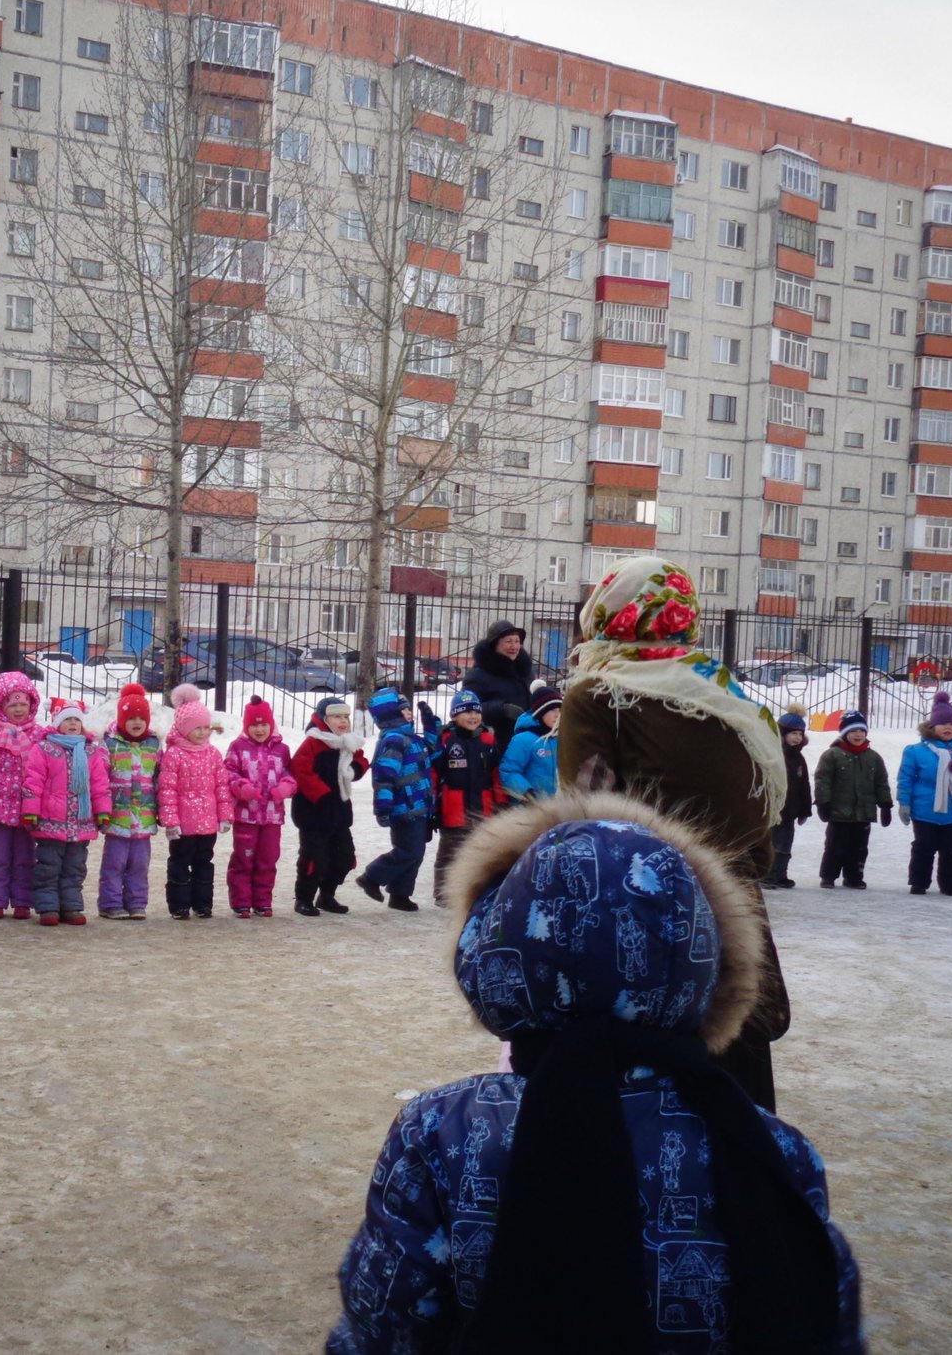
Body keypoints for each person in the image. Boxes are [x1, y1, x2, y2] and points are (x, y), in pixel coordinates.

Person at [325, 792, 864, 1353]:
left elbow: (385, 1323)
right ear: (708, 955)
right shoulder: (769, 1147)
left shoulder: (440, 1132)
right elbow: (826, 1319)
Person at [555, 558, 793, 1109]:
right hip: (734, 900)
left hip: (645, 900)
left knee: (650, 1077)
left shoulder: (601, 691)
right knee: (733, 1067)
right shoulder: (725, 692)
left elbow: (587, 813)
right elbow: (754, 808)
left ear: (609, 612)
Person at [22, 696, 110, 925]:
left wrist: (102, 812)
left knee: (75, 868)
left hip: (80, 823)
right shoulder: (44, 749)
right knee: (48, 866)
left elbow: (99, 784)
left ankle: (71, 906)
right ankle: (48, 907)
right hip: (51, 821)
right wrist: (31, 810)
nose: (73, 724)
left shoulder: (90, 752)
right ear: (56, 723)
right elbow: (33, 781)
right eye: (67, 719)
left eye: (77, 720)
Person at [354, 687, 435, 913]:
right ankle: (371, 876)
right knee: (409, 852)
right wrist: (383, 806)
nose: (409, 712)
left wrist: (429, 724)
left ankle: (400, 895)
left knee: (414, 853)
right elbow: (384, 776)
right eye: (404, 709)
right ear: (391, 715)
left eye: (408, 708)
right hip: (403, 807)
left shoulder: (411, 738)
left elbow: (432, 749)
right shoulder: (395, 740)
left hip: (418, 806)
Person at [896, 691, 952, 896]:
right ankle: (919, 882)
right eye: (943, 723)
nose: (947, 727)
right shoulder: (916, 751)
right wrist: (904, 802)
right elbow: (906, 778)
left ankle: (950, 883)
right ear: (932, 727)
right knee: (923, 849)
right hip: (924, 810)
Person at [289, 696, 371, 916]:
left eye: (346, 716)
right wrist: (321, 794)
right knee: (315, 858)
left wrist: (357, 768)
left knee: (345, 857)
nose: (343, 721)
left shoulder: (347, 742)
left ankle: (327, 894)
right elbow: (300, 770)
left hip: (339, 811)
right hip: (314, 812)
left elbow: (361, 760)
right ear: (323, 720)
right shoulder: (314, 742)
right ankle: (304, 898)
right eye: (336, 716)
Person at [0, 669, 44, 921]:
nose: (18, 709)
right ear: (1, 705)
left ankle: (23, 901)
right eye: (12, 704)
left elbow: (44, 769)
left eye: (23, 704)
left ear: (31, 704)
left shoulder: (38, 734)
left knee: (26, 857)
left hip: (28, 807)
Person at [156, 684, 232, 919]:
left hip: (207, 823)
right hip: (183, 825)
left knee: (204, 864)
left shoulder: (213, 754)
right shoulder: (175, 754)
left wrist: (225, 815)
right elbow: (167, 790)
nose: (202, 733)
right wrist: (170, 821)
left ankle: (203, 903)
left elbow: (222, 787)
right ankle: (179, 905)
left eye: (205, 728)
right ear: (182, 728)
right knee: (179, 863)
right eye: (196, 728)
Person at [223, 696, 297, 917]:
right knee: (244, 859)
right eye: (254, 725)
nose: (259, 729)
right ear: (247, 726)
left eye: (264, 724)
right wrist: (242, 787)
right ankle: (241, 901)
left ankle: (263, 900)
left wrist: (286, 787)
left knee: (268, 859)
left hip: (272, 816)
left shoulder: (281, 749)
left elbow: (289, 773)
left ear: (271, 724)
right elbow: (228, 773)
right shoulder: (237, 747)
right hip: (247, 815)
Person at [428, 690, 504, 906]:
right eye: (466, 712)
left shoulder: (488, 739)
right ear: (454, 716)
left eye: (476, 712)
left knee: (481, 851)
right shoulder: (446, 740)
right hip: (453, 807)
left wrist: (500, 800)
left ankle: (476, 890)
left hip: (483, 806)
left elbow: (495, 772)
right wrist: (432, 802)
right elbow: (434, 773)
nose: (473, 717)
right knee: (449, 853)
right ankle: (443, 892)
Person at [96, 684, 162, 919]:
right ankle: (110, 903)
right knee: (114, 864)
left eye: (141, 718)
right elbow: (100, 780)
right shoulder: (109, 745)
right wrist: (102, 810)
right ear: (122, 719)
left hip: (144, 817)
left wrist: (162, 809)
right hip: (117, 817)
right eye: (131, 718)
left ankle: (136, 903)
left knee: (139, 865)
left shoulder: (154, 746)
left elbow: (159, 779)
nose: (136, 723)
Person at [814, 711, 894, 889]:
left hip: (863, 813)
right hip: (838, 813)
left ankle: (854, 877)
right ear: (844, 734)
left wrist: (885, 805)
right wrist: (823, 802)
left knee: (859, 848)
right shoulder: (832, 755)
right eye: (852, 731)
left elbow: (881, 782)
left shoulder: (873, 758)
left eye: (861, 730)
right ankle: (828, 876)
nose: (858, 735)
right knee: (835, 846)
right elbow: (822, 780)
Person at [460, 619, 537, 760]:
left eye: (517, 641)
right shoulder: (479, 675)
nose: (514, 646)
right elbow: (465, 709)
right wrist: (501, 709)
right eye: (508, 641)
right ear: (495, 644)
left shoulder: (525, 672)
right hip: (496, 745)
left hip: (529, 742)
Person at [764, 709, 812, 890]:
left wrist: (805, 809)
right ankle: (767, 875)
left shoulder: (799, 758)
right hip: (773, 810)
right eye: (793, 733)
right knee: (771, 844)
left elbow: (804, 785)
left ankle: (780, 875)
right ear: (782, 734)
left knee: (785, 845)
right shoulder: (773, 756)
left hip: (790, 810)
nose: (797, 738)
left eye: (800, 734)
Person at [496, 685, 562, 803]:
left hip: (558, 806)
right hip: (529, 807)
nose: (557, 715)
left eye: (560, 710)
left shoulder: (561, 738)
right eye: (552, 710)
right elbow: (509, 771)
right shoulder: (523, 740)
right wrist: (526, 793)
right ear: (540, 712)